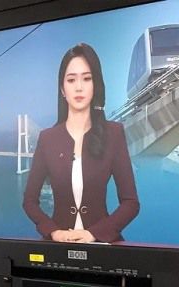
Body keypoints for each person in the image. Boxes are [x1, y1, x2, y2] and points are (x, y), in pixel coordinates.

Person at [23, 43, 139, 243]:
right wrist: (54, 232)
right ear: (62, 88)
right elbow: (29, 201)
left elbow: (131, 203)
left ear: (96, 85)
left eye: (87, 78)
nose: (79, 87)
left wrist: (93, 234)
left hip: (102, 245)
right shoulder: (47, 139)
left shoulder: (114, 133)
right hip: (58, 247)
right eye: (71, 80)